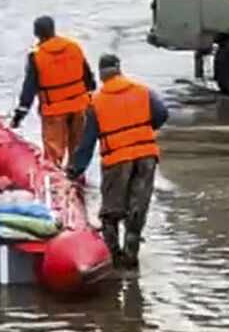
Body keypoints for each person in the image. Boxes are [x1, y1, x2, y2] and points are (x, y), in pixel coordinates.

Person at [68, 54, 168, 270]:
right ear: (119, 69)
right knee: (137, 207)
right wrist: (144, 130)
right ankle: (132, 255)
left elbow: (87, 142)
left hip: (116, 161)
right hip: (146, 158)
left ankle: (113, 256)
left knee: (111, 212)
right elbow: (162, 114)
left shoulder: (96, 102)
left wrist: (75, 170)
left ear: (102, 75)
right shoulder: (143, 91)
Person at [11, 16, 96, 169]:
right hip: (79, 105)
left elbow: (29, 88)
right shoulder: (73, 47)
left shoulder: (36, 56)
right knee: (77, 150)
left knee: (54, 155)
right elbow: (88, 78)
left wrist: (20, 114)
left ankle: (57, 186)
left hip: (54, 111)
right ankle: (78, 180)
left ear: (36, 33)